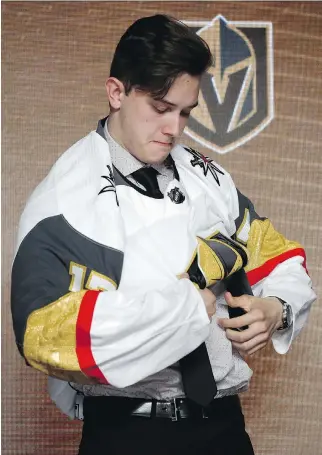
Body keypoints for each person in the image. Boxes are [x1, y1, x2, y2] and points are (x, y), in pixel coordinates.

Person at [11, 14, 316, 455]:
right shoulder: (62, 202)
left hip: (223, 426)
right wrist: (190, 302)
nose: (175, 129)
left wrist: (276, 309)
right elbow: (41, 333)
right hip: (126, 434)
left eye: (185, 112)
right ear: (116, 92)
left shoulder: (207, 177)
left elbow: (279, 256)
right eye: (160, 108)